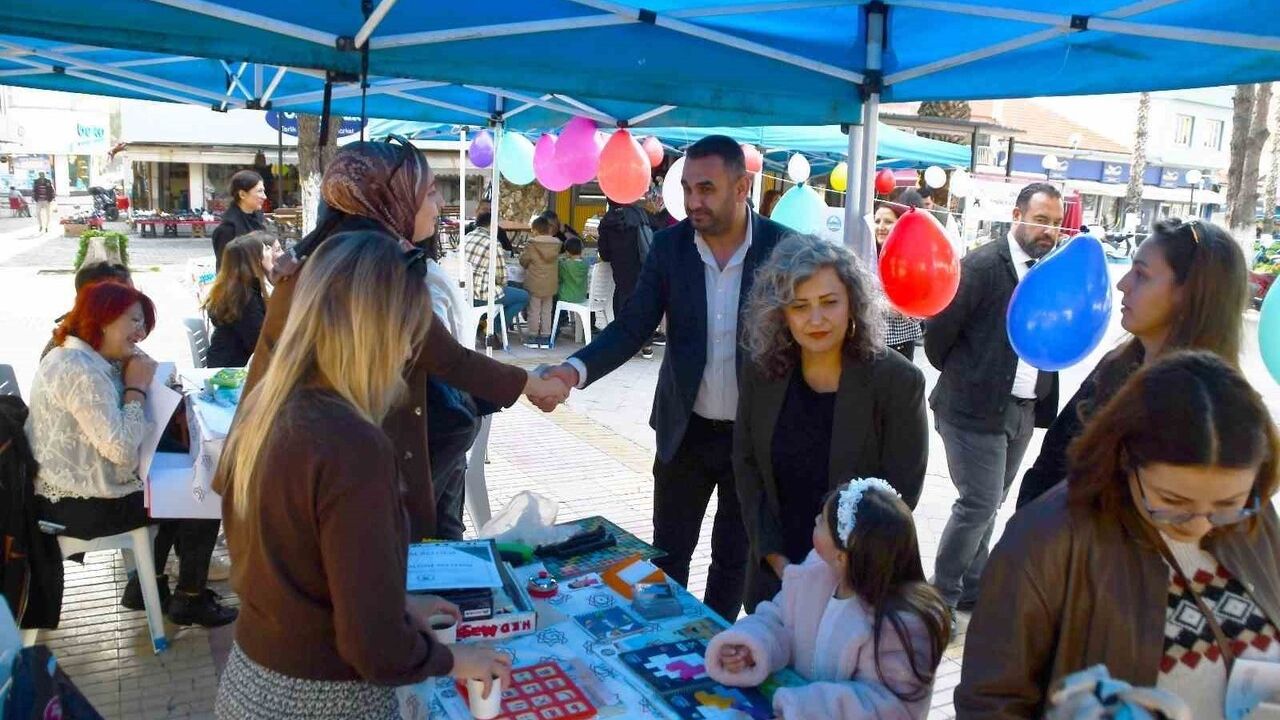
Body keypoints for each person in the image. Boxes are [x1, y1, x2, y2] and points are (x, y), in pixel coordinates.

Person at [214, 233, 511, 718]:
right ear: (378, 332)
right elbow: (374, 648)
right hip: (322, 701)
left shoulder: (268, 407)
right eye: (411, 333)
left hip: (251, 681)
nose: (412, 354)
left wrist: (396, 605)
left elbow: (299, 574)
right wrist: (455, 659)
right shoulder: (352, 445)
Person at [244, 138, 568, 541]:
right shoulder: (372, 272)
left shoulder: (325, 259)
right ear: (390, 198)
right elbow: (448, 358)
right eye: (428, 192)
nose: (438, 205)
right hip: (342, 474)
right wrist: (537, 385)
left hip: (309, 469)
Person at [542, 135, 793, 621]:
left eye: (707, 189)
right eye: (688, 188)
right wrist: (573, 371)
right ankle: (662, 646)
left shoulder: (782, 248)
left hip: (753, 438)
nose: (694, 201)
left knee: (732, 561)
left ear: (742, 187)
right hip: (686, 432)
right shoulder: (669, 247)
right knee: (668, 556)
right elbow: (633, 325)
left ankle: (716, 647)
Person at [956, 351, 1280, 719]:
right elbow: (989, 702)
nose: (1200, 524)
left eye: (1227, 503)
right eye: (1173, 500)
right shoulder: (1046, 542)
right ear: (1124, 457)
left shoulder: (1256, 518)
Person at [735, 234, 928, 610]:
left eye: (829, 302)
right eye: (800, 306)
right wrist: (780, 563)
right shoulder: (763, 373)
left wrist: (840, 571)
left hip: (858, 586)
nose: (816, 319)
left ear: (853, 304)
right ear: (781, 314)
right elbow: (747, 469)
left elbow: (901, 492)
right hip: (777, 580)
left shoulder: (897, 382)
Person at [26, 282, 235, 627]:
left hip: (82, 489)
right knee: (202, 491)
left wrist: (149, 383)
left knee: (180, 479)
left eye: (143, 324)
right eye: (134, 322)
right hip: (80, 504)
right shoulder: (78, 369)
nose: (141, 333)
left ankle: (146, 586)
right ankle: (189, 598)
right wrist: (137, 386)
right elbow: (122, 450)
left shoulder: (83, 356)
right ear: (102, 319)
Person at [1016, 218, 1248, 509]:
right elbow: (1051, 463)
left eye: (1142, 274)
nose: (1123, 284)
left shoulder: (1208, 410)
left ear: (1190, 294)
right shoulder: (1115, 365)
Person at [925, 181, 1062, 613]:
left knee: (991, 505)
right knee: (978, 504)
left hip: (1022, 410)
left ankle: (972, 587)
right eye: (1041, 220)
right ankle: (939, 596)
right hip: (971, 410)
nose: (1049, 231)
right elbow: (937, 338)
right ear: (1017, 216)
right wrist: (974, 376)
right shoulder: (982, 266)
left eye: (1057, 224)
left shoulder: (1050, 272)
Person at [706, 479, 949, 719]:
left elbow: (888, 706)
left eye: (822, 520)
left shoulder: (900, 625)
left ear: (843, 557)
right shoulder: (812, 576)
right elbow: (777, 618)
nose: (815, 520)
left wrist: (803, 709)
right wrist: (750, 647)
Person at [204, 232, 274, 369]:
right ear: (256, 259)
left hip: (227, 361)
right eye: (265, 249)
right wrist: (273, 274)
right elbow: (260, 344)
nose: (270, 252)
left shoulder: (238, 289)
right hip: (232, 370)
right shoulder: (244, 298)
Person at [873, 189, 927, 361]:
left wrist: (907, 309)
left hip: (901, 344)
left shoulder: (912, 260)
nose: (881, 226)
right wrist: (892, 306)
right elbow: (857, 300)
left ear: (900, 225)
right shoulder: (866, 254)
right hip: (870, 340)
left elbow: (921, 309)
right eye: (877, 221)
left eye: (888, 221)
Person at [595, 198, 653, 358]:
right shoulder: (639, 213)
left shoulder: (607, 221)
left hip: (621, 269)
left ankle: (624, 342)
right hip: (642, 264)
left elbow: (604, 253)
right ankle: (646, 343)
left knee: (621, 302)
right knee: (643, 304)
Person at [465, 211, 530, 336]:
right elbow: (502, 278)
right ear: (492, 225)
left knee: (514, 287)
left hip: (467, 293)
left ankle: (484, 322)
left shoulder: (467, 237)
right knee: (524, 296)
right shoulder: (493, 243)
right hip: (483, 295)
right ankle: (492, 328)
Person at [519, 215, 563, 348]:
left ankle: (532, 334)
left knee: (534, 310)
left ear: (535, 230)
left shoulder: (531, 244)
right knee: (547, 310)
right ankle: (545, 335)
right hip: (550, 284)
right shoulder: (556, 244)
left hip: (535, 283)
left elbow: (524, 261)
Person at [211, 170, 267, 271]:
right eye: (259, 191)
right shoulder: (227, 229)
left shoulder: (258, 218)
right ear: (242, 194)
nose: (264, 196)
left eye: (263, 191)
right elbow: (225, 270)